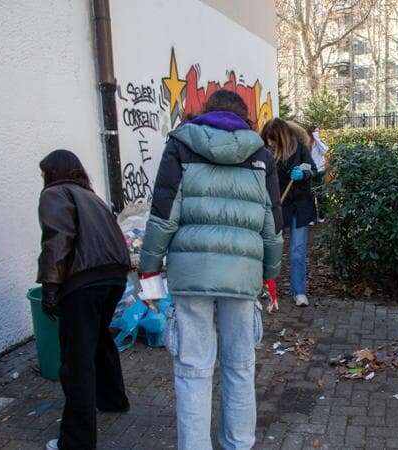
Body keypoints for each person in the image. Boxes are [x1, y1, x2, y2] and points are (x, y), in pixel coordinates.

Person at [139, 90, 283, 450]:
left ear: (205, 112)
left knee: (193, 371)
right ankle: (239, 444)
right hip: (242, 277)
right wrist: (269, 273)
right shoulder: (261, 155)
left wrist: (149, 270)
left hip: (191, 276)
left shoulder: (180, 146)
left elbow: (163, 215)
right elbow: (272, 224)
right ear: (243, 117)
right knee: (240, 367)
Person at [36, 150, 131, 450]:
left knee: (77, 360)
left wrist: (51, 286)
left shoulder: (54, 193)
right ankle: (113, 399)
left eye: (43, 173)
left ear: (52, 172)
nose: (42, 179)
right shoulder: (92, 196)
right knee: (99, 338)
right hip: (114, 276)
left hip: (83, 281)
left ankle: (76, 442)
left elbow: (57, 240)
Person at [260, 119, 317, 307]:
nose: (271, 145)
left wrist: (304, 173)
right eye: (268, 141)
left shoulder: (300, 149)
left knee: (298, 251)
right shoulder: (266, 153)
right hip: (276, 206)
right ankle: (265, 287)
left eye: (274, 141)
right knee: (269, 248)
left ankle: (299, 290)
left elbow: (313, 170)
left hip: (300, 206)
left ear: (282, 138)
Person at [309, 126, 329, 223]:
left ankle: (321, 216)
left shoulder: (319, 143)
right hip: (311, 172)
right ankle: (312, 218)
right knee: (310, 195)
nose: (318, 133)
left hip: (320, 171)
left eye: (318, 132)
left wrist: (317, 138)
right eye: (316, 131)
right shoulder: (306, 143)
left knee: (321, 195)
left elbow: (325, 150)